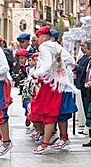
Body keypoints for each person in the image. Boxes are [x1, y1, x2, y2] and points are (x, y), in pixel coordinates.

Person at [31, 26, 78, 154]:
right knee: (60, 113)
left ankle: (50, 140)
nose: (37, 40)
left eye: (38, 37)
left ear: (43, 37)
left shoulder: (45, 47)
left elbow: (46, 65)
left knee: (51, 113)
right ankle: (62, 137)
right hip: (61, 83)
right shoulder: (56, 46)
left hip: (53, 85)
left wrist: (37, 73)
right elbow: (70, 60)